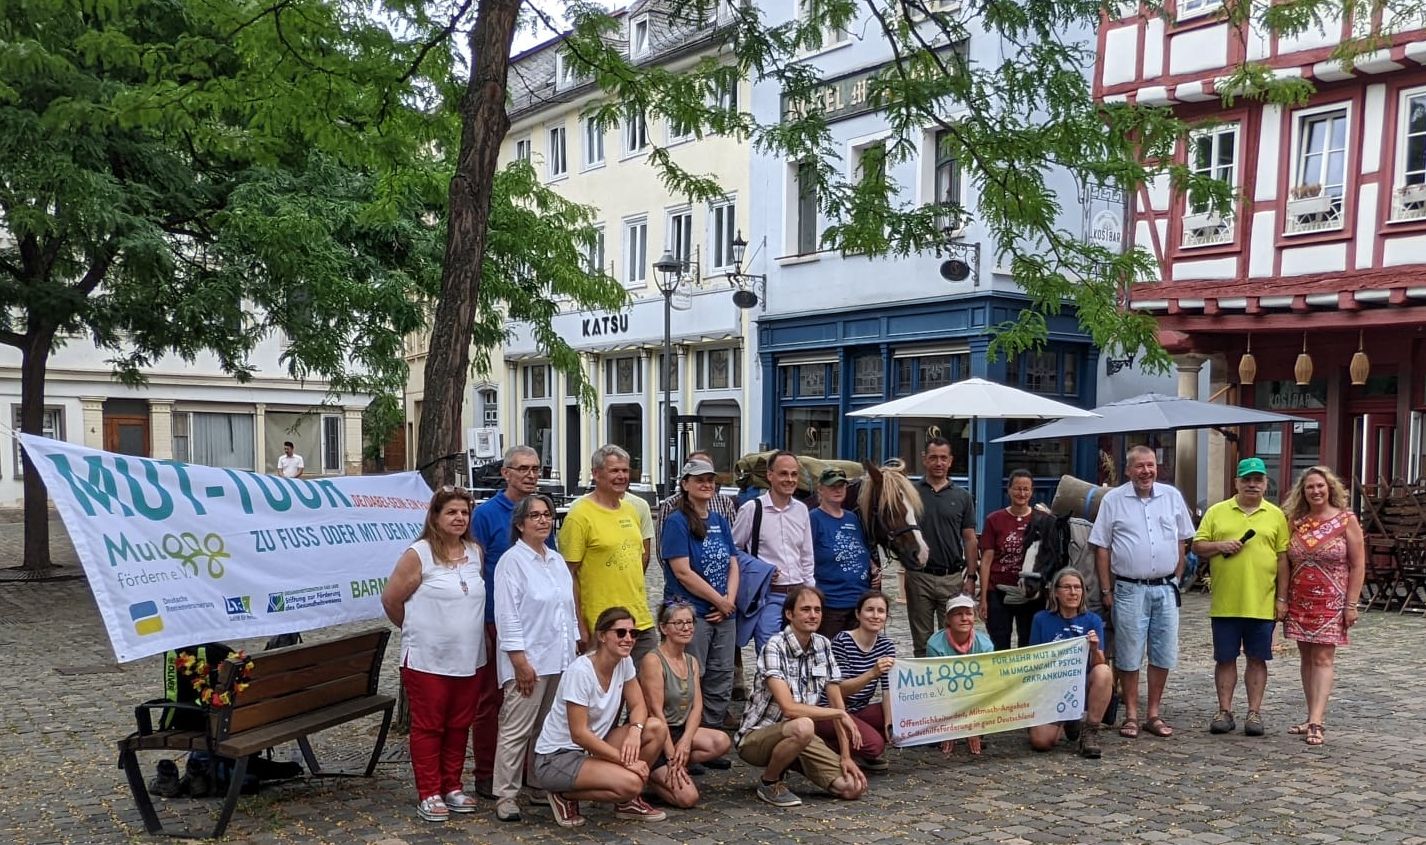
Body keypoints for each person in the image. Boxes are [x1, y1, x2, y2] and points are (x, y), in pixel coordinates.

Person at [379, 487, 485, 822]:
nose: (459, 518)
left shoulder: (474, 552)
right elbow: (392, 601)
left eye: (464, 513)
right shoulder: (419, 554)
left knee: (459, 724)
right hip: (428, 660)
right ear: (436, 517)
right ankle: (429, 791)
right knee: (430, 726)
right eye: (451, 512)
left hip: (469, 658)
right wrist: (419, 629)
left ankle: (452, 784)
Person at [1090, 445, 1195, 739]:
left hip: (1165, 588)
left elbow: (1182, 540)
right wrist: (1106, 590)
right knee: (1129, 653)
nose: (1146, 471)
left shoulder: (1172, 496)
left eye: (1150, 466)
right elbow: (1102, 548)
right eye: (1139, 466)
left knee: (1163, 652)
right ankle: (1132, 715)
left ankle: (1154, 713)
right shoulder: (1113, 500)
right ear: (1128, 470)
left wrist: (1176, 574)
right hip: (1129, 588)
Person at [532, 607, 669, 827]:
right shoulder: (581, 672)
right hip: (557, 757)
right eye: (621, 633)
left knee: (655, 728)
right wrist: (627, 762)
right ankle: (564, 795)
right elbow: (579, 734)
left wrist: (636, 729)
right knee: (632, 783)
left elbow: (638, 705)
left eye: (633, 633)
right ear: (602, 636)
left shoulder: (623, 663)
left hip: (593, 748)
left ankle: (625, 802)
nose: (628, 639)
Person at [734, 585, 868, 808]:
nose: (813, 615)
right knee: (804, 725)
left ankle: (792, 760)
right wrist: (839, 713)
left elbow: (837, 702)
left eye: (817, 610)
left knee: (852, 788)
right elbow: (789, 708)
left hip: (800, 735)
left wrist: (846, 755)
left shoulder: (823, 645)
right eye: (805, 609)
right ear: (789, 614)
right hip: (757, 737)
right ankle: (769, 782)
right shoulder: (774, 646)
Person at [491, 493, 578, 822]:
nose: (543, 520)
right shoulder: (511, 562)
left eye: (547, 515)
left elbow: (567, 610)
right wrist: (519, 661)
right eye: (535, 516)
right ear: (520, 524)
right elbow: (508, 615)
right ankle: (506, 793)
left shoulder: (555, 560)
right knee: (516, 728)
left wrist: (574, 651)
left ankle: (539, 782)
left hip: (559, 658)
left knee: (547, 727)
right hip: (529, 660)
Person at [1191, 457, 1290, 739]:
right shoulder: (1217, 512)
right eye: (1246, 479)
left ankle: (1254, 712)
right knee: (1225, 658)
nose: (1251, 484)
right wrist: (1219, 545)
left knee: (1257, 659)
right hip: (1226, 603)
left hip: (1262, 602)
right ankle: (1224, 711)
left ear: (1265, 484)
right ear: (1236, 482)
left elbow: (1283, 560)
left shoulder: (1276, 515)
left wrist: (1282, 599)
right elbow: (1197, 546)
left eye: (1257, 480)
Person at [470, 444, 546, 798]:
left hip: (537, 626)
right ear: (506, 473)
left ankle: (531, 771)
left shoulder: (540, 512)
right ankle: (486, 773)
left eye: (535, 469)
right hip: (493, 622)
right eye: (524, 469)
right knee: (492, 700)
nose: (531, 475)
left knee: (534, 700)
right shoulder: (486, 515)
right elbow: (475, 567)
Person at [659, 458, 739, 761]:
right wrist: (718, 601)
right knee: (692, 678)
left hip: (723, 611)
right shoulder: (677, 521)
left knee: (721, 675)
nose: (706, 485)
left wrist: (728, 599)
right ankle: (685, 742)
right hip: (692, 612)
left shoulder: (719, 520)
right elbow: (682, 572)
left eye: (710, 479)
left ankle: (711, 736)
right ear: (686, 484)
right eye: (699, 480)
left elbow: (733, 562)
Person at [1281, 466, 1365, 747]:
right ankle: (1309, 715)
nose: (1315, 491)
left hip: (1332, 600)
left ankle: (1317, 721)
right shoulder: (1295, 521)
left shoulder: (1345, 520)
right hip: (1300, 599)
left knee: (1323, 658)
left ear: (1330, 488)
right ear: (1302, 492)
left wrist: (1351, 604)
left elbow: (1358, 564)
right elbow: (1285, 561)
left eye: (1320, 486)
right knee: (1306, 658)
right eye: (1309, 487)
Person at [561, 445, 658, 664]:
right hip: (602, 624)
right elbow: (567, 576)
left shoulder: (631, 510)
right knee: (604, 693)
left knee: (647, 688)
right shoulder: (580, 516)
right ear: (596, 474)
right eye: (614, 471)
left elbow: (639, 560)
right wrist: (579, 626)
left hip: (639, 619)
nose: (622, 476)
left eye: (625, 471)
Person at [637, 600, 734, 808]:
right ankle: (652, 773)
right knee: (688, 799)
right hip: (656, 733)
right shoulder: (653, 661)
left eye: (689, 622)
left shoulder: (691, 661)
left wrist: (686, 741)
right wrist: (671, 755)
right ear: (664, 628)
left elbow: (697, 707)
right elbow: (655, 711)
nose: (686, 628)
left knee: (721, 741)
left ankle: (676, 768)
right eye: (678, 623)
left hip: (679, 730)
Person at [732, 451, 816, 652]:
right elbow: (733, 550)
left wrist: (810, 591)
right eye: (784, 474)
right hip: (768, 595)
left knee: (799, 653)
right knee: (769, 652)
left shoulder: (801, 510)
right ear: (770, 475)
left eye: (794, 474)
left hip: (798, 594)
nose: (790, 479)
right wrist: (761, 569)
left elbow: (806, 555)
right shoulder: (752, 509)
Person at [1027, 568, 1113, 759]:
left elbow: (1099, 663)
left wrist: (1094, 648)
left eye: (1077, 587)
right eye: (1067, 587)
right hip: (1052, 687)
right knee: (1040, 742)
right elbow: (1033, 660)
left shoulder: (1093, 620)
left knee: (1104, 672)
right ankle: (1068, 721)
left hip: (1082, 685)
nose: (1073, 592)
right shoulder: (1041, 619)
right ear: (1056, 592)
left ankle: (1090, 730)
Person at [909, 438, 978, 657]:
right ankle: (925, 687)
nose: (938, 462)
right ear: (924, 459)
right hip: (920, 576)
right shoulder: (911, 493)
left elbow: (969, 538)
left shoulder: (963, 496)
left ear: (950, 461)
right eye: (933, 458)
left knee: (954, 637)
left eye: (943, 458)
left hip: (951, 577)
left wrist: (971, 577)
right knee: (922, 641)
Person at [816, 590, 895, 771]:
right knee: (875, 746)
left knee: (901, 718)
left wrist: (889, 723)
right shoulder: (842, 641)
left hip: (859, 709)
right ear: (858, 614)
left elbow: (887, 689)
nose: (875, 616)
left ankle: (858, 747)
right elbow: (839, 691)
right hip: (831, 710)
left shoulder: (886, 645)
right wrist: (872, 673)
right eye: (870, 610)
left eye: (881, 611)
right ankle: (822, 747)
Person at [978, 469, 1044, 649]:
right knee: (999, 643)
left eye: (1026, 489)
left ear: (1031, 492)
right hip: (998, 590)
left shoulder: (1041, 519)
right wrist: (983, 597)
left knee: (1028, 642)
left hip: (1030, 591)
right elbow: (986, 560)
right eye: (1017, 489)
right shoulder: (995, 519)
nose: (1021, 493)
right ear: (1008, 490)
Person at [925, 594, 994, 755]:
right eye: (958, 614)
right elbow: (937, 688)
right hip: (944, 702)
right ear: (948, 618)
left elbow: (985, 687)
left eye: (968, 613)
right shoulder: (934, 645)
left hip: (976, 702)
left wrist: (972, 725)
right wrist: (950, 726)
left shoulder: (985, 645)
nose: (964, 618)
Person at [810, 467, 873, 637]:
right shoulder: (813, 518)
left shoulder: (852, 518)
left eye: (841, 486)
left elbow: (861, 549)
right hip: (831, 604)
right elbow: (806, 557)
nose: (837, 490)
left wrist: (871, 566)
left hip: (859, 603)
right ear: (820, 490)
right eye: (832, 486)